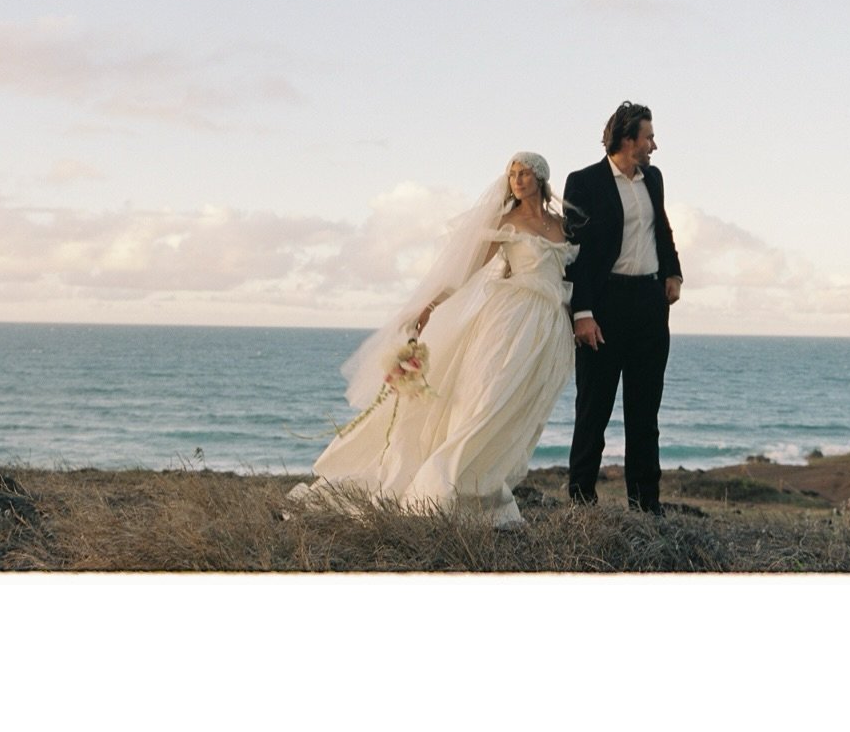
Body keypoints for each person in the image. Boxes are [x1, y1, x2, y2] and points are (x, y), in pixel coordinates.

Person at [288, 153, 576, 527]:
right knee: (487, 400)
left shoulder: (562, 225)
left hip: (550, 326)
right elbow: (466, 272)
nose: (517, 180)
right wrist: (430, 305)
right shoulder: (506, 222)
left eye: (524, 173)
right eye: (512, 174)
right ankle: (440, 487)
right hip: (509, 319)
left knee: (518, 411)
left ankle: (481, 487)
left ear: (541, 177)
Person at [564, 101, 682, 515]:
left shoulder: (654, 178)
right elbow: (574, 252)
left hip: (649, 305)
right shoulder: (583, 182)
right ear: (628, 139)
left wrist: (673, 273)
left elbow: (661, 227)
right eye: (648, 137)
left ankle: (646, 504)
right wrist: (582, 312)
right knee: (593, 409)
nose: (654, 145)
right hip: (604, 307)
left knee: (644, 412)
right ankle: (581, 500)